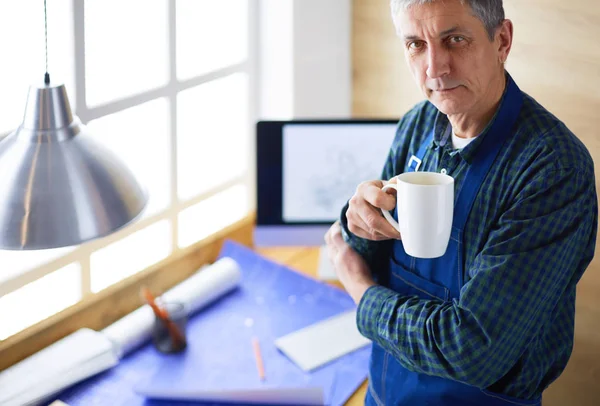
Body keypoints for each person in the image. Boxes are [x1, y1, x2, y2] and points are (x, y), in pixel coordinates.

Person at [324, 0, 598, 405]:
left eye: (454, 40)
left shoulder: (552, 170)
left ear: (501, 40)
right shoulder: (417, 123)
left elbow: (473, 350)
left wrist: (363, 296)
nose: (435, 68)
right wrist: (357, 220)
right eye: (416, 44)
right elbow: (363, 251)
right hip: (386, 394)